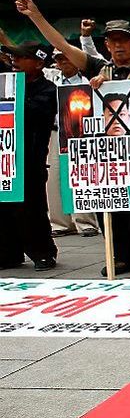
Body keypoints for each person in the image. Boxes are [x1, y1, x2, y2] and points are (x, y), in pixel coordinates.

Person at [17, 0, 130, 277]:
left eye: (124, 40)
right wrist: (35, 16)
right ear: (106, 45)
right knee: (112, 203)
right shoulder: (98, 68)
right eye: (113, 41)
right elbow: (63, 46)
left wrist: (113, 87)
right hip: (107, 148)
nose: (118, 45)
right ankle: (121, 256)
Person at [0, 42, 58, 271]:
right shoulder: (6, 84)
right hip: (6, 156)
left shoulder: (47, 89)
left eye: (22, 58)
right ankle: (8, 253)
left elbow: (36, 113)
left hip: (31, 158)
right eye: (14, 57)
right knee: (4, 208)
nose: (15, 61)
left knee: (32, 207)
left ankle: (43, 252)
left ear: (39, 62)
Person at [44, 44, 100, 238]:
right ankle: (60, 223)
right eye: (59, 59)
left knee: (81, 176)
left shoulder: (88, 79)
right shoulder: (51, 78)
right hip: (55, 131)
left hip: (82, 133)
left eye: (66, 57)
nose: (63, 62)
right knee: (54, 178)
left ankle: (86, 222)